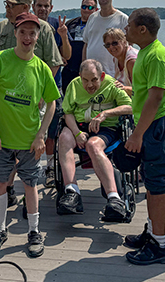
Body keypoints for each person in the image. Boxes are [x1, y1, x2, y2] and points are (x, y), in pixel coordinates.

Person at [0, 12, 60, 258]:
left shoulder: (42, 68)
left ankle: (34, 232)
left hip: (29, 140)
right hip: (0, 139)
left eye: (32, 33)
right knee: (1, 183)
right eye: (22, 32)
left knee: (31, 184)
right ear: (15, 33)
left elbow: (52, 103)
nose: (27, 37)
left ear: (38, 37)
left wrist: (41, 135)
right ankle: (0, 229)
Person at [0, 0, 64, 211]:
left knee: (29, 150)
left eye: (11, 4)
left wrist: (40, 93)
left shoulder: (44, 29)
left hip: (32, 102)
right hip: (3, 104)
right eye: (6, 4)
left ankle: (29, 203)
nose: (7, 8)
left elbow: (54, 62)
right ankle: (7, 191)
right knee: (4, 147)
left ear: (25, 7)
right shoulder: (0, 28)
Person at [123, 8, 165, 265]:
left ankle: (160, 245)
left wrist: (138, 134)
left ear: (142, 30)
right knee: (151, 181)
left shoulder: (157, 56)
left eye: (129, 26)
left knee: (158, 185)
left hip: (159, 125)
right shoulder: (146, 52)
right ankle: (152, 231)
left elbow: (157, 96)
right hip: (154, 123)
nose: (125, 29)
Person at [56, 59, 132, 221]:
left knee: (93, 144)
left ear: (102, 76)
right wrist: (76, 133)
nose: (90, 85)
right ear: (80, 77)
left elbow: (131, 107)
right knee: (64, 137)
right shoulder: (74, 86)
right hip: (79, 126)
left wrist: (105, 114)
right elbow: (67, 113)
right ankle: (72, 191)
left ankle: (114, 198)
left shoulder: (112, 85)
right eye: (85, 80)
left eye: (94, 80)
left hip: (106, 128)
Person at [32, 0, 72, 188]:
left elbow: (67, 55)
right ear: (33, 6)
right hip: (29, 87)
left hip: (53, 86)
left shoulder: (56, 25)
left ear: (51, 7)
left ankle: (49, 168)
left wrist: (64, 36)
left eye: (46, 6)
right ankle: (31, 168)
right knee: (31, 129)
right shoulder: (27, 25)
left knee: (52, 131)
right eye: (39, 5)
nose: (42, 9)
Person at [82, 0, 129, 76]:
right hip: (92, 74)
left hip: (113, 75)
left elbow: (129, 47)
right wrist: (83, 67)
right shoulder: (92, 18)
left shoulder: (123, 19)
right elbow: (86, 44)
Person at [62, 0, 99, 93]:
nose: (86, 10)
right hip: (69, 68)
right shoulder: (70, 23)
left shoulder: (97, 26)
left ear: (96, 10)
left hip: (88, 70)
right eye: (84, 6)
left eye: (90, 7)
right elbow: (61, 41)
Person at [103, 28, 139, 96]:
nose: (111, 47)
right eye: (107, 45)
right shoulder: (116, 58)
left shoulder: (132, 61)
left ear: (124, 42)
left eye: (114, 43)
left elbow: (140, 90)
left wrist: (124, 88)